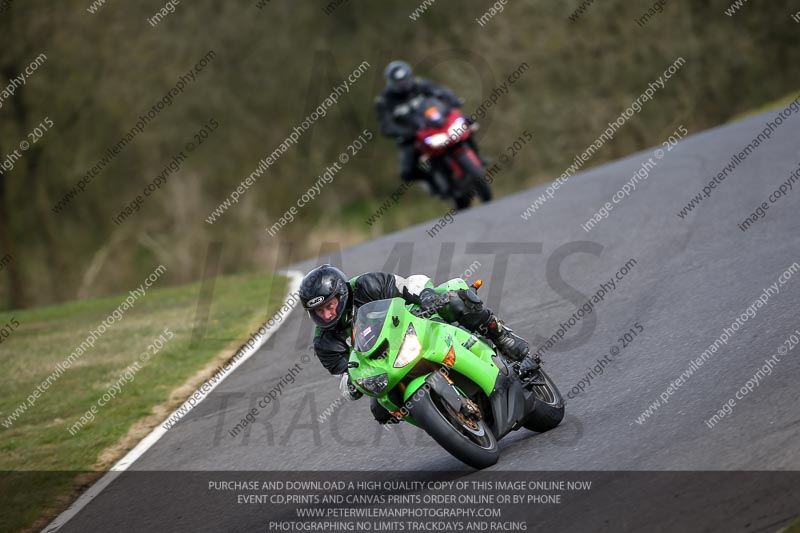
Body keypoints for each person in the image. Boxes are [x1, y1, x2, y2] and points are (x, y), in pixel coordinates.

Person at [299, 264, 538, 424]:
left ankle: (500, 335)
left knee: (455, 300)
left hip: (414, 323)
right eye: (319, 311)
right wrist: (351, 386)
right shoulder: (324, 343)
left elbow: (406, 284)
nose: (327, 315)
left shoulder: (365, 285)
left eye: (329, 306)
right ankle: (444, 418)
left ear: (342, 294)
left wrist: (425, 295)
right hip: (386, 364)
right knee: (380, 410)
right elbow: (346, 373)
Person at [374, 60, 483, 193]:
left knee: (467, 124)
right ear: (391, 82)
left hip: (436, 125)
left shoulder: (420, 85)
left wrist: (452, 101)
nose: (403, 84)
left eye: (405, 80)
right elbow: (386, 125)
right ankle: (432, 182)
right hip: (412, 136)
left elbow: (442, 91)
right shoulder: (384, 101)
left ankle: (477, 158)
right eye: (399, 82)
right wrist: (404, 132)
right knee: (406, 171)